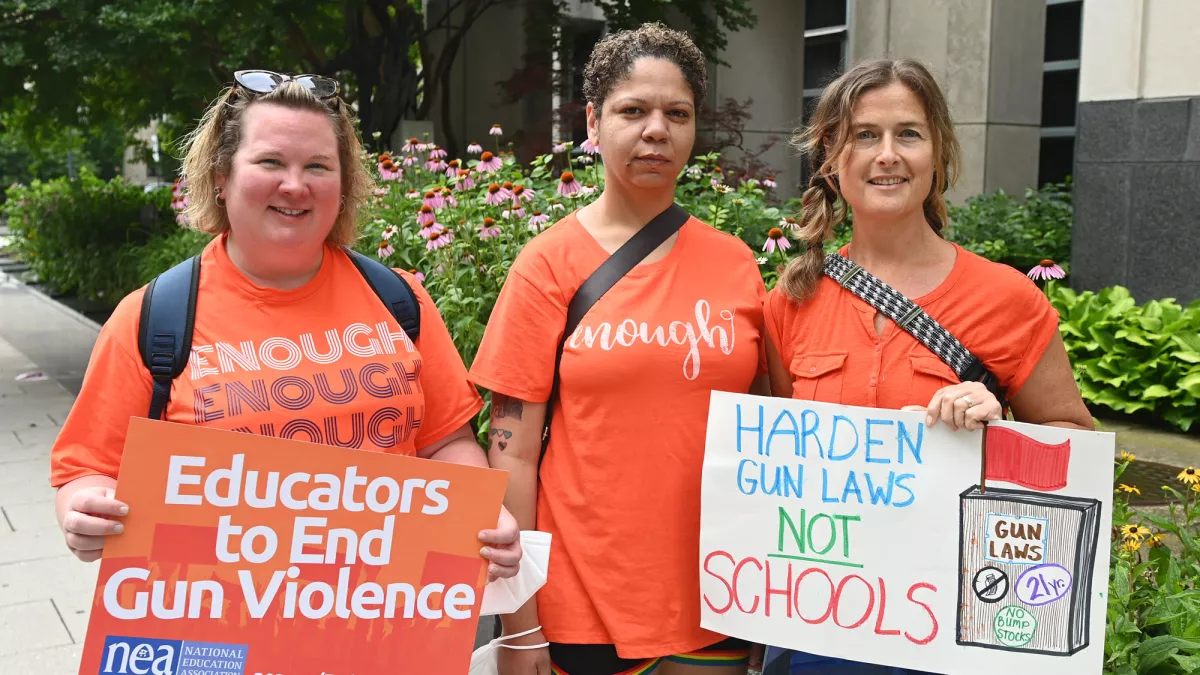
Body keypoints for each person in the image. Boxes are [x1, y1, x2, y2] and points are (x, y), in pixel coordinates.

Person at [49, 70, 521, 582]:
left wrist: (481, 514)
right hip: (221, 632)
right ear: (221, 175)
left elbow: (445, 443)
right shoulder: (152, 319)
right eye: (270, 161)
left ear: (343, 184)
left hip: (386, 614)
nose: (295, 186)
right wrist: (85, 508)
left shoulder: (399, 300)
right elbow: (87, 468)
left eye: (318, 165)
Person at [761, 58, 1094, 674]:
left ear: (939, 153)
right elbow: (772, 468)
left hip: (957, 626)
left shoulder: (1008, 300)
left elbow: (1075, 455)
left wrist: (1001, 432)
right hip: (817, 630)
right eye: (864, 135)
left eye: (908, 134)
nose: (887, 154)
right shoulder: (790, 303)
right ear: (831, 158)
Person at [469, 23, 769, 675]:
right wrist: (521, 627)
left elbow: (769, 434)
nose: (655, 129)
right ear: (593, 121)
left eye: (676, 113)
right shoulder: (546, 265)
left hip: (716, 601)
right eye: (633, 110)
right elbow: (510, 456)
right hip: (580, 604)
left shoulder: (736, 266)